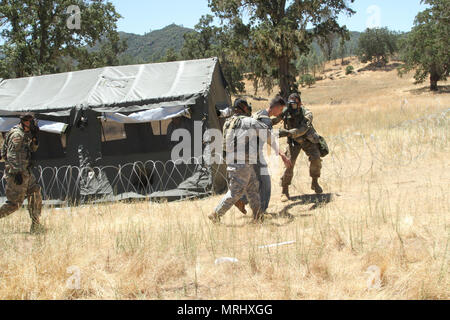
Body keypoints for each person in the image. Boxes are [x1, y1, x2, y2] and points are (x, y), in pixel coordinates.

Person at [209, 98, 290, 223]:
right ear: (243, 108)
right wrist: (282, 154)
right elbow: (268, 136)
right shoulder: (249, 122)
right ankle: (216, 214)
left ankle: (258, 216)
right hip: (241, 163)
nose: (249, 109)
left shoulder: (229, 122)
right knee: (235, 192)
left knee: (253, 189)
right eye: (247, 107)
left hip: (238, 161)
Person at [237, 96, 291, 214]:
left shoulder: (259, 113)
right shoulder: (266, 121)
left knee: (254, 181)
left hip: (245, 151)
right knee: (265, 182)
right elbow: (270, 140)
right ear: (276, 107)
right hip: (253, 154)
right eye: (281, 110)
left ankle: (241, 200)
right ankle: (261, 211)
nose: (280, 113)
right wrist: (282, 155)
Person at [274, 93, 324, 202]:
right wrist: (265, 123)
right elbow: (275, 120)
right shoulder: (286, 112)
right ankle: (285, 190)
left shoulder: (307, 113)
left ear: (300, 103)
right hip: (294, 142)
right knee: (289, 163)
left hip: (307, 140)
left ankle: (315, 182)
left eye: (295, 103)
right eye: (290, 103)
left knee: (316, 159)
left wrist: (287, 132)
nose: (292, 106)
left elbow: (304, 128)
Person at [0, 114, 44, 233]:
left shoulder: (26, 134)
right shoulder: (17, 135)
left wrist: (34, 138)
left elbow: (32, 149)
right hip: (17, 173)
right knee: (14, 204)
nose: (34, 124)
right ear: (25, 122)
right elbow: (11, 155)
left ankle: (35, 225)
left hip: (26, 172)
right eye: (31, 122)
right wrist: (17, 172)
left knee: (35, 193)